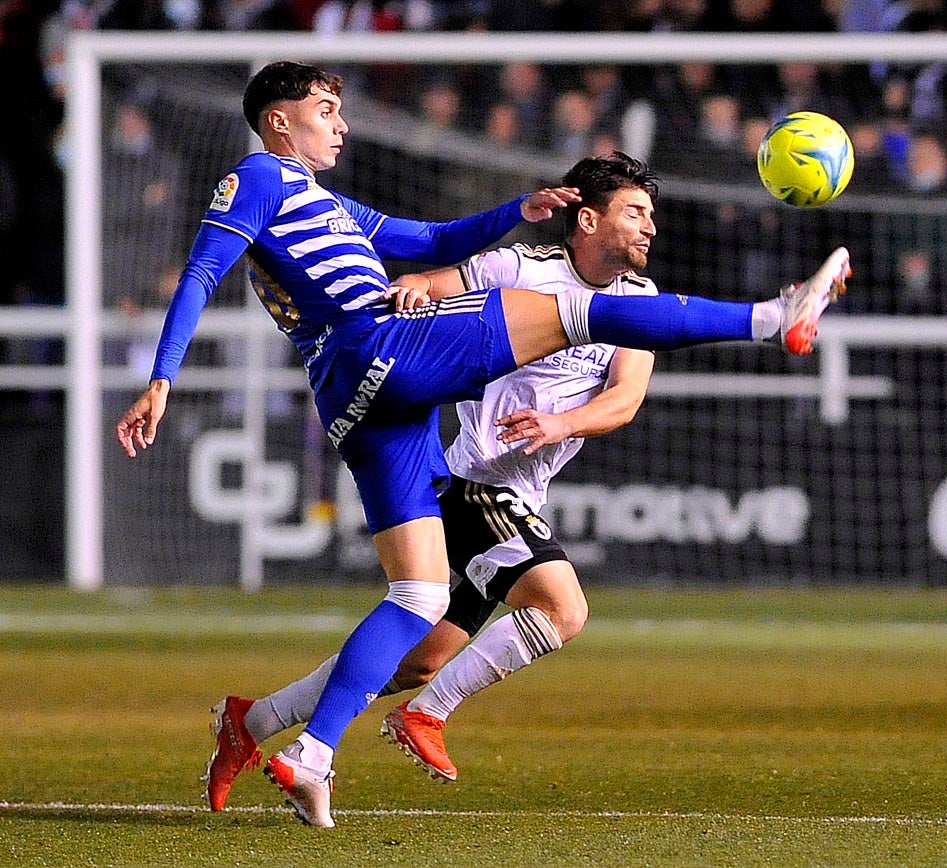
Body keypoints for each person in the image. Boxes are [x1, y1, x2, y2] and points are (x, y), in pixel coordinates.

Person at [115, 61, 851, 829]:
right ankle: (772, 318)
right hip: (376, 350)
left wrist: (517, 207)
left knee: (420, 598)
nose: (340, 123)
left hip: (365, 404)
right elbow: (203, 268)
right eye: (326, 109)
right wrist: (163, 377)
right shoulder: (259, 177)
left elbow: (429, 238)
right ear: (277, 120)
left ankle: (301, 747)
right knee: (582, 314)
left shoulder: (321, 202)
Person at [203, 153, 659, 813]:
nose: (650, 228)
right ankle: (425, 717)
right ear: (587, 219)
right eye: (636, 212)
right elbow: (428, 283)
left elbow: (624, 400)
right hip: (470, 482)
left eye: (651, 215)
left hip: (518, 500)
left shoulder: (638, 303)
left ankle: (251, 722)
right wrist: (411, 295)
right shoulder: (519, 270)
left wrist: (561, 422)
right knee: (564, 609)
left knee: (417, 661)